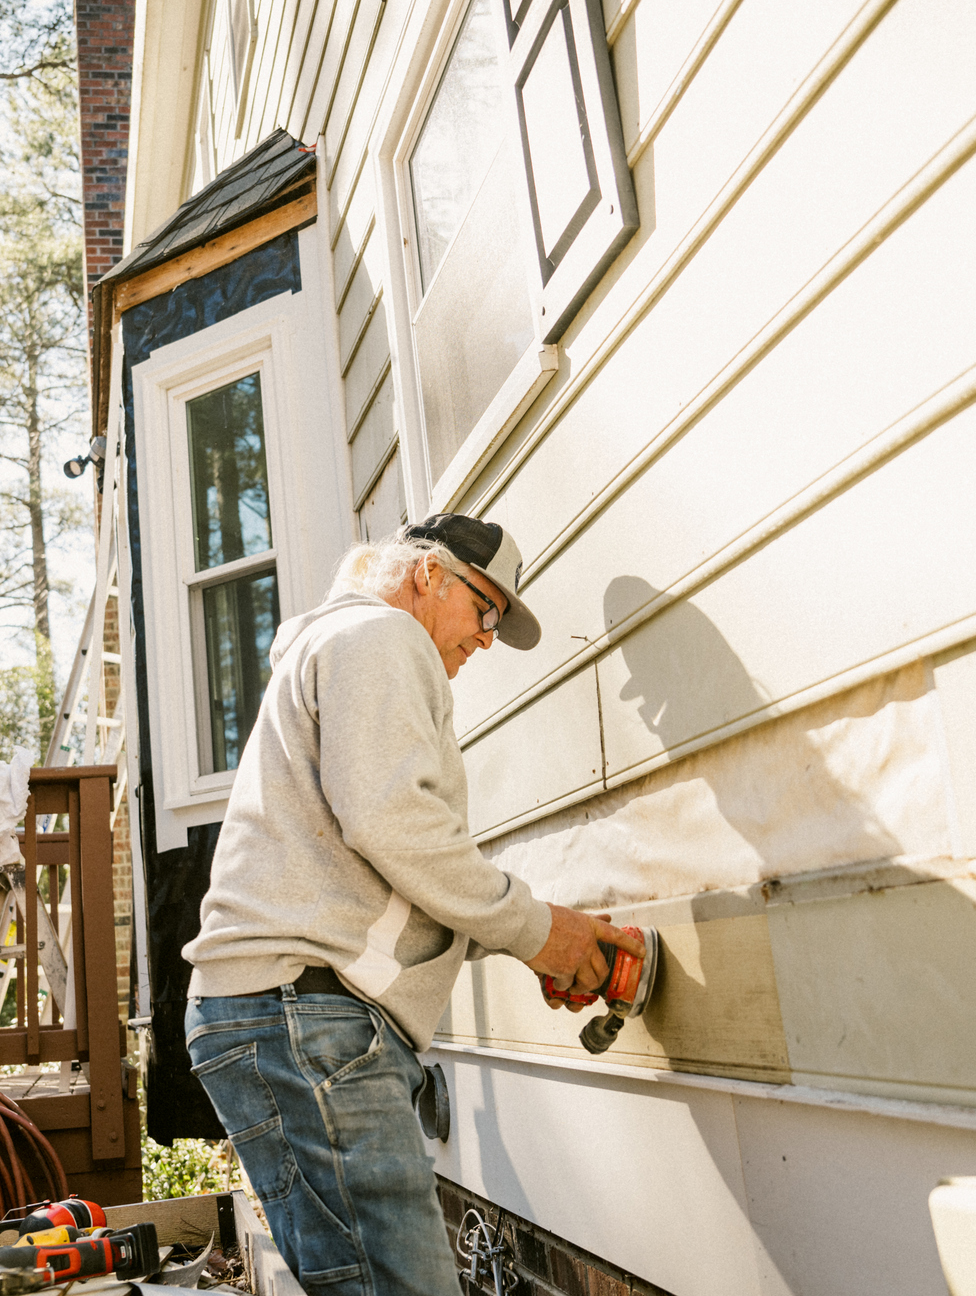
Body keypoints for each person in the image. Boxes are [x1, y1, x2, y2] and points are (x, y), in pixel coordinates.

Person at [183, 513, 645, 1296]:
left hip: (282, 1013)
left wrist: (519, 936)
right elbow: (393, 823)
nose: (488, 637)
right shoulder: (381, 638)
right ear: (427, 575)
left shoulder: (339, 647)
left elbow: (379, 859)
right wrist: (541, 935)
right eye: (485, 608)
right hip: (306, 1014)